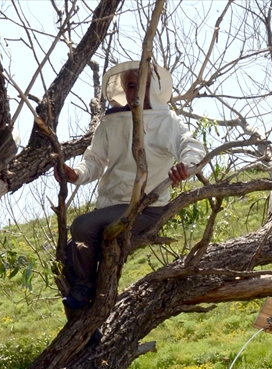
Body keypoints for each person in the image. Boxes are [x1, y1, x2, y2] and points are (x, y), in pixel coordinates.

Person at [56, 61, 206, 315]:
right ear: (124, 90)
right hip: (110, 206)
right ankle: (87, 321)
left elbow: (191, 147)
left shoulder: (166, 120)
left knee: (82, 226)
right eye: (131, 86)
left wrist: (186, 166)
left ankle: (86, 291)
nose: (137, 92)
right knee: (70, 254)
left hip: (145, 207)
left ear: (154, 88)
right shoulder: (111, 122)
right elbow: (94, 160)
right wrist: (76, 174)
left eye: (144, 85)